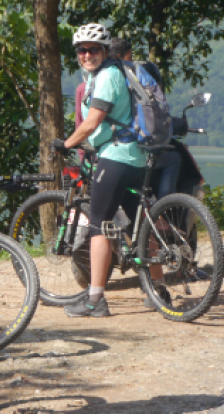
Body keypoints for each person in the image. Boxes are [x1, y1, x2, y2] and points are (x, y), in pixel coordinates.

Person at [50, 23, 147, 318]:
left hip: (115, 157)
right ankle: (158, 289)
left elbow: (92, 123)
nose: (87, 54)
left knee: (98, 223)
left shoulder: (106, 77)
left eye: (93, 49)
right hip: (137, 157)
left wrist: (66, 144)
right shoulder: (117, 73)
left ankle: (95, 300)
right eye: (82, 50)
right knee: (140, 224)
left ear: (105, 52)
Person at [109, 36, 180, 199]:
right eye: (130, 56)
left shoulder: (96, 80)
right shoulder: (133, 77)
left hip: (104, 149)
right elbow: (152, 117)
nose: (132, 60)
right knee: (173, 158)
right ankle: (163, 209)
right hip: (130, 148)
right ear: (122, 56)